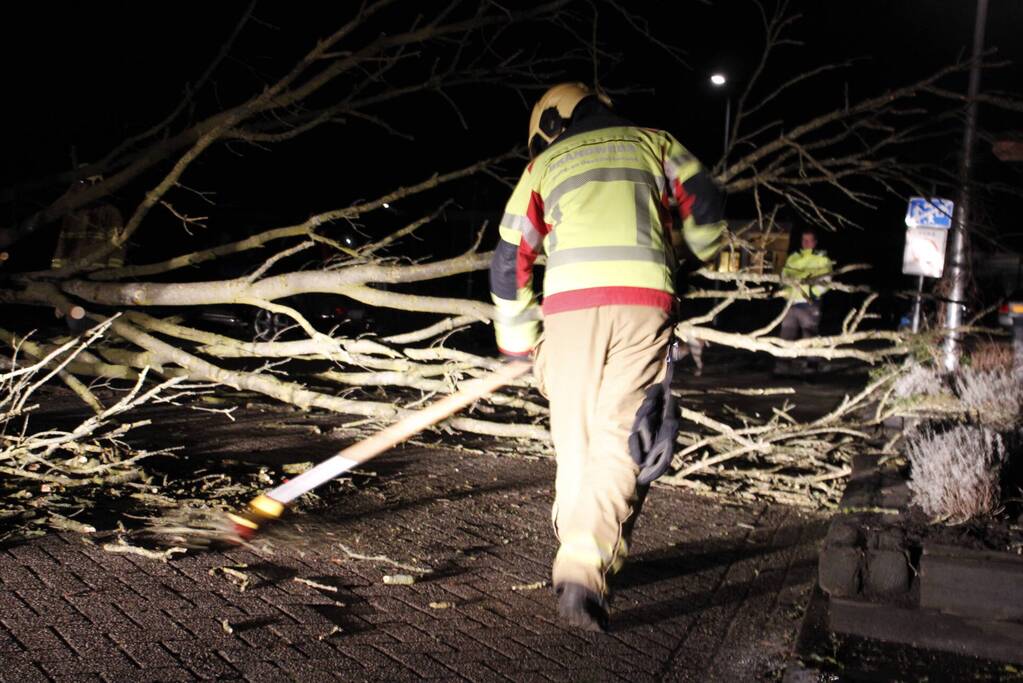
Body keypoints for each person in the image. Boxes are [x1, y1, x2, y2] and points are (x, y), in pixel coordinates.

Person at [488, 83, 725, 631]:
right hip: (644, 301)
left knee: (575, 441)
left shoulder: (544, 166)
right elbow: (707, 204)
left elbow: (508, 259)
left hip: (569, 310)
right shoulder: (655, 143)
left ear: (552, 124)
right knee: (622, 434)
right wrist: (689, 257)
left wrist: (519, 344)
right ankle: (583, 565)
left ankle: (579, 552)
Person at [774, 226, 833, 376]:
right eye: (803, 240)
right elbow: (784, 277)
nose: (806, 243)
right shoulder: (793, 257)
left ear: (815, 242)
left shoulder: (822, 259)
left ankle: (811, 368)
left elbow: (827, 281)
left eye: (809, 240)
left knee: (810, 335)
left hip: (809, 304)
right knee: (786, 335)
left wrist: (812, 293)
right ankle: (782, 367)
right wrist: (784, 292)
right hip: (791, 303)